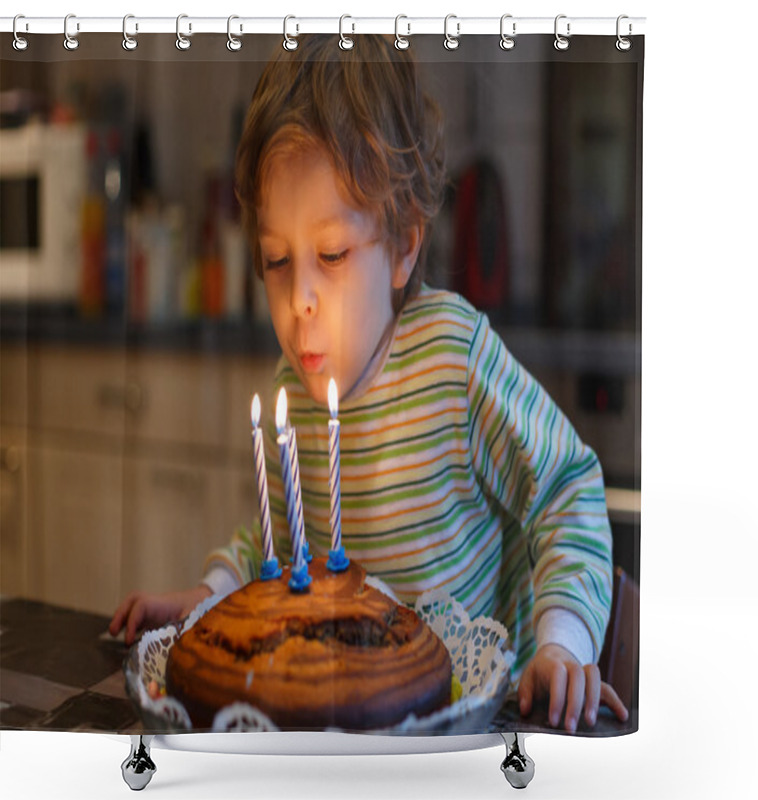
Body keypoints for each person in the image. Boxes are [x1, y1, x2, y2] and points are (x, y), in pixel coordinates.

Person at [110, 34, 628, 734]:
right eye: (274, 260)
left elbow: (567, 490)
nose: (300, 301)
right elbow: (277, 542)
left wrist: (564, 640)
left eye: (330, 254)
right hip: (355, 732)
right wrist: (208, 599)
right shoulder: (292, 394)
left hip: (493, 723)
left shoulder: (453, 358)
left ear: (405, 243)